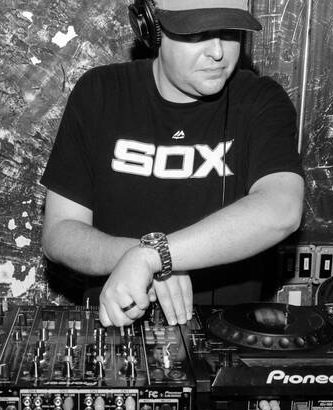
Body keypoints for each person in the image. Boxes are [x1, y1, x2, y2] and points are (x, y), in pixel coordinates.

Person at [40, 0, 305, 328]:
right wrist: (140, 258)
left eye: (229, 32)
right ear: (152, 28)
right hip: (116, 326)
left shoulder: (261, 101)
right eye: (197, 34)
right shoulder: (100, 93)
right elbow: (59, 233)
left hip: (228, 336)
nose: (218, 52)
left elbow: (282, 209)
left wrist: (157, 257)